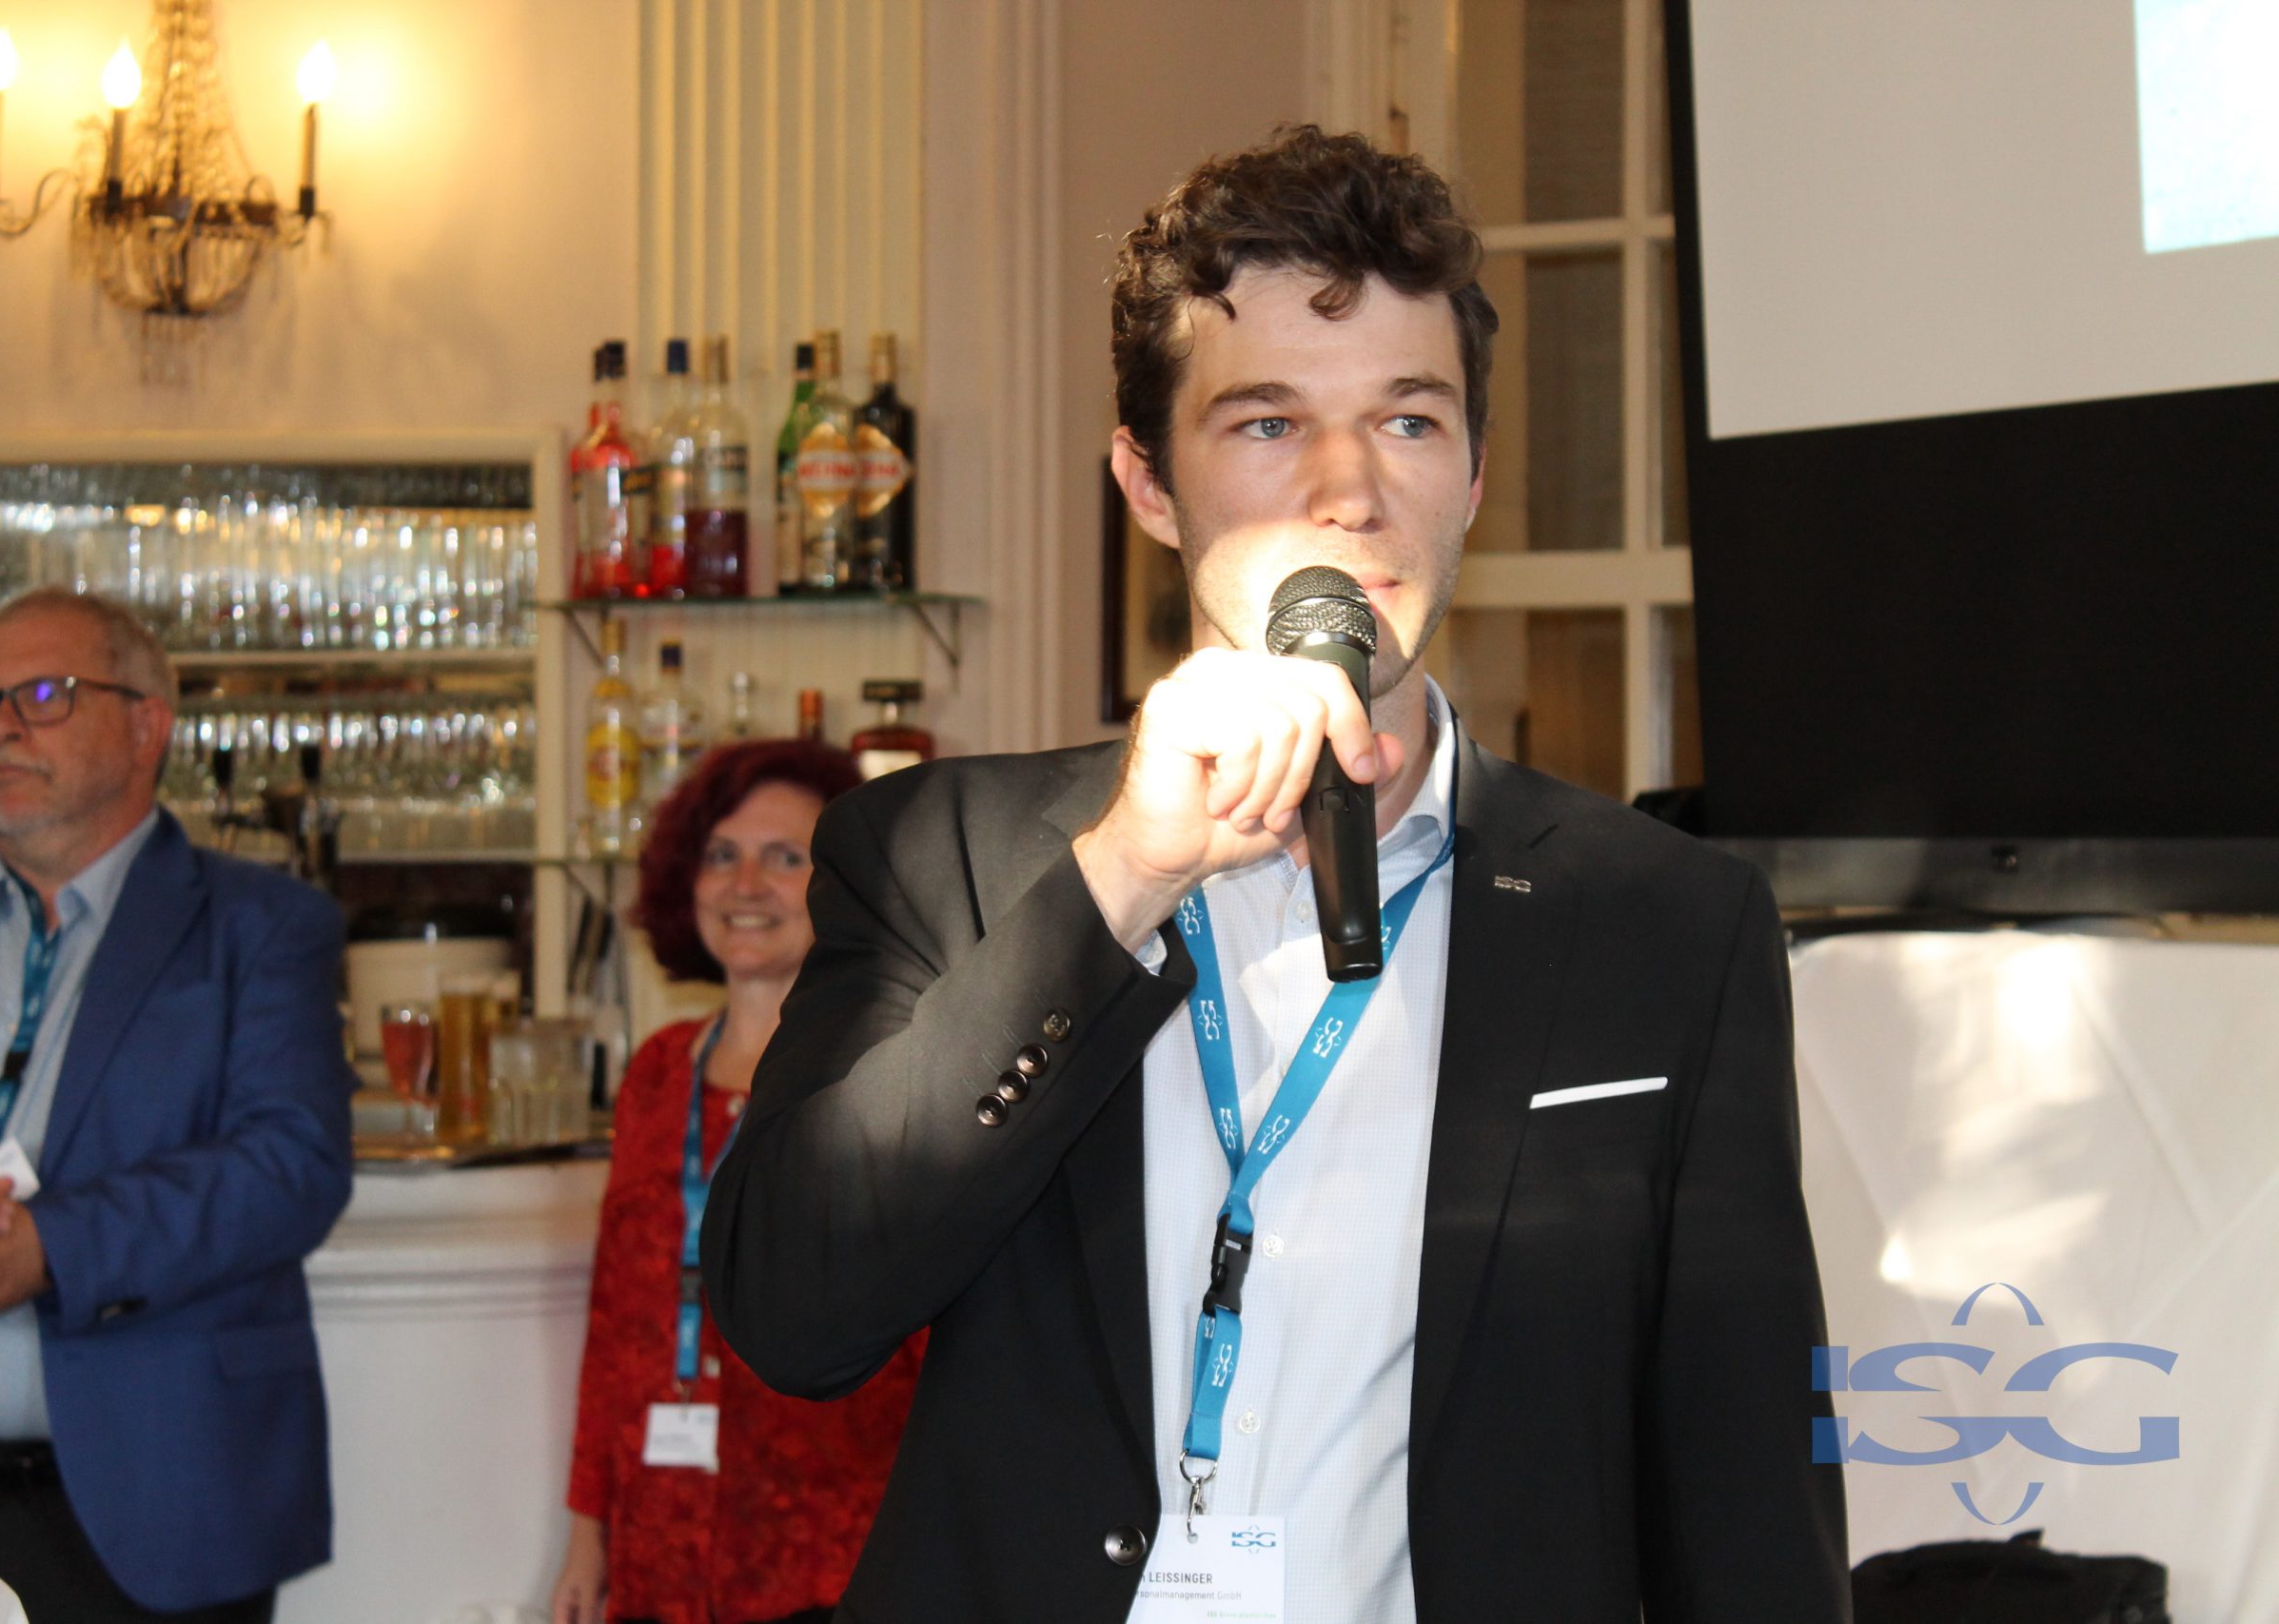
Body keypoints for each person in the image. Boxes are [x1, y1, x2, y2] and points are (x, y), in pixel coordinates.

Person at [703, 127, 1849, 1623]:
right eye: (1266, 422)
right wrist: (1119, 878)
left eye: (1409, 419)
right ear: (1146, 479)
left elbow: (1747, 1491)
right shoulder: (941, 855)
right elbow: (793, 1311)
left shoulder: (1667, 923)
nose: (1347, 488)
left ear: (1474, 474)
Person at [0, 589, 355, 1623]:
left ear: (146, 725)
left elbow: (289, 1164)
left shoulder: (260, 928)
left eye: (42, 695)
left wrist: (49, 1249)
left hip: (154, 1511)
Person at [553, 739, 923, 1624]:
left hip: (831, 1556)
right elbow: (616, 1324)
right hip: (659, 1550)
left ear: (845, 885)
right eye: (722, 853)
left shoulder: (889, 1078)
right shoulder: (655, 1074)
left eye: (785, 857)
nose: (745, 883)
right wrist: (587, 1533)